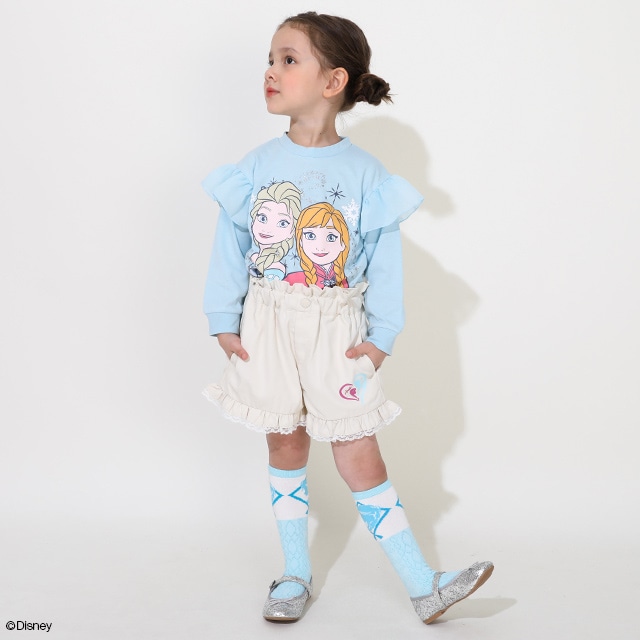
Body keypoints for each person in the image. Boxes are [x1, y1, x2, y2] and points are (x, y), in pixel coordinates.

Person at [201, 11, 493, 625]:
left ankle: (423, 584)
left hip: (336, 329)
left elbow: (385, 264)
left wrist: (382, 335)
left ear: (333, 81)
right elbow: (231, 246)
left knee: (358, 448)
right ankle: (294, 573)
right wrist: (223, 318)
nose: (271, 71)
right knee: (285, 440)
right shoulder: (254, 166)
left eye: (288, 59)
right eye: (270, 59)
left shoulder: (366, 176)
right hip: (266, 325)